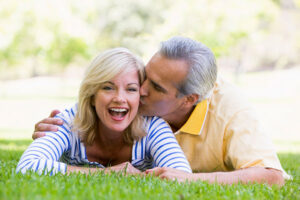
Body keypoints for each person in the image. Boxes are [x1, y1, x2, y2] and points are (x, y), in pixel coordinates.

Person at [33, 37, 288, 185]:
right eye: (145, 75)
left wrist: (191, 180)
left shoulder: (230, 111)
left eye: (154, 86)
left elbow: (273, 177)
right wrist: (67, 124)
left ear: (188, 99)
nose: (140, 90)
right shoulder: (141, 102)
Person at [17, 47, 191, 175]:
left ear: (140, 95)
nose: (119, 98)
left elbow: (181, 175)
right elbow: (28, 166)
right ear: (92, 95)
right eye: (108, 88)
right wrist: (111, 172)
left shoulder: (153, 127)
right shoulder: (68, 122)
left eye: (130, 89)